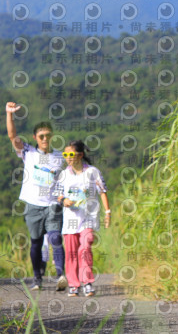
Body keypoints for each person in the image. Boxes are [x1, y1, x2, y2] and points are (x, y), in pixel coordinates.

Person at [6, 102, 67, 291]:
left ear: (52, 136)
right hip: (33, 205)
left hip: (52, 205)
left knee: (55, 238)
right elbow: (12, 136)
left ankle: (61, 276)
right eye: (41, 136)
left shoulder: (59, 157)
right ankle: (37, 278)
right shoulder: (28, 153)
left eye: (48, 135)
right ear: (35, 138)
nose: (45, 138)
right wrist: (9, 114)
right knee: (36, 242)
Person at [56, 140, 111, 297]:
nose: (68, 157)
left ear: (80, 155)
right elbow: (58, 194)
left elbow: (102, 191)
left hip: (88, 217)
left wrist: (108, 212)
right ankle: (74, 285)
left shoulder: (92, 172)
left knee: (85, 247)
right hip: (70, 219)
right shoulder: (64, 174)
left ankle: (87, 283)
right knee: (71, 253)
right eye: (65, 154)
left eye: (71, 154)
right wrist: (63, 200)